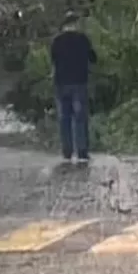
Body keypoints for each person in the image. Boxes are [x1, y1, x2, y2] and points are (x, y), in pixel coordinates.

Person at [50, 11, 97, 163]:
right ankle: (82, 151)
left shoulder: (56, 41)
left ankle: (67, 151)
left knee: (64, 118)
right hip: (79, 82)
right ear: (76, 23)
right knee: (80, 117)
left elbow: (53, 60)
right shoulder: (83, 39)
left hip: (61, 83)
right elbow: (93, 58)